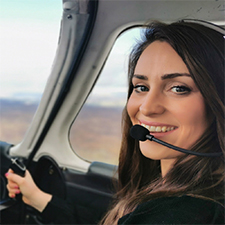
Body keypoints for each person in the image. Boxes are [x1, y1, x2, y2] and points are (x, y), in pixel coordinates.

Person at [5, 20, 225, 224]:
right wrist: (38, 198)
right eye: (141, 87)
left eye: (179, 88)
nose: (147, 107)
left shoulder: (185, 214)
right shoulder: (180, 192)